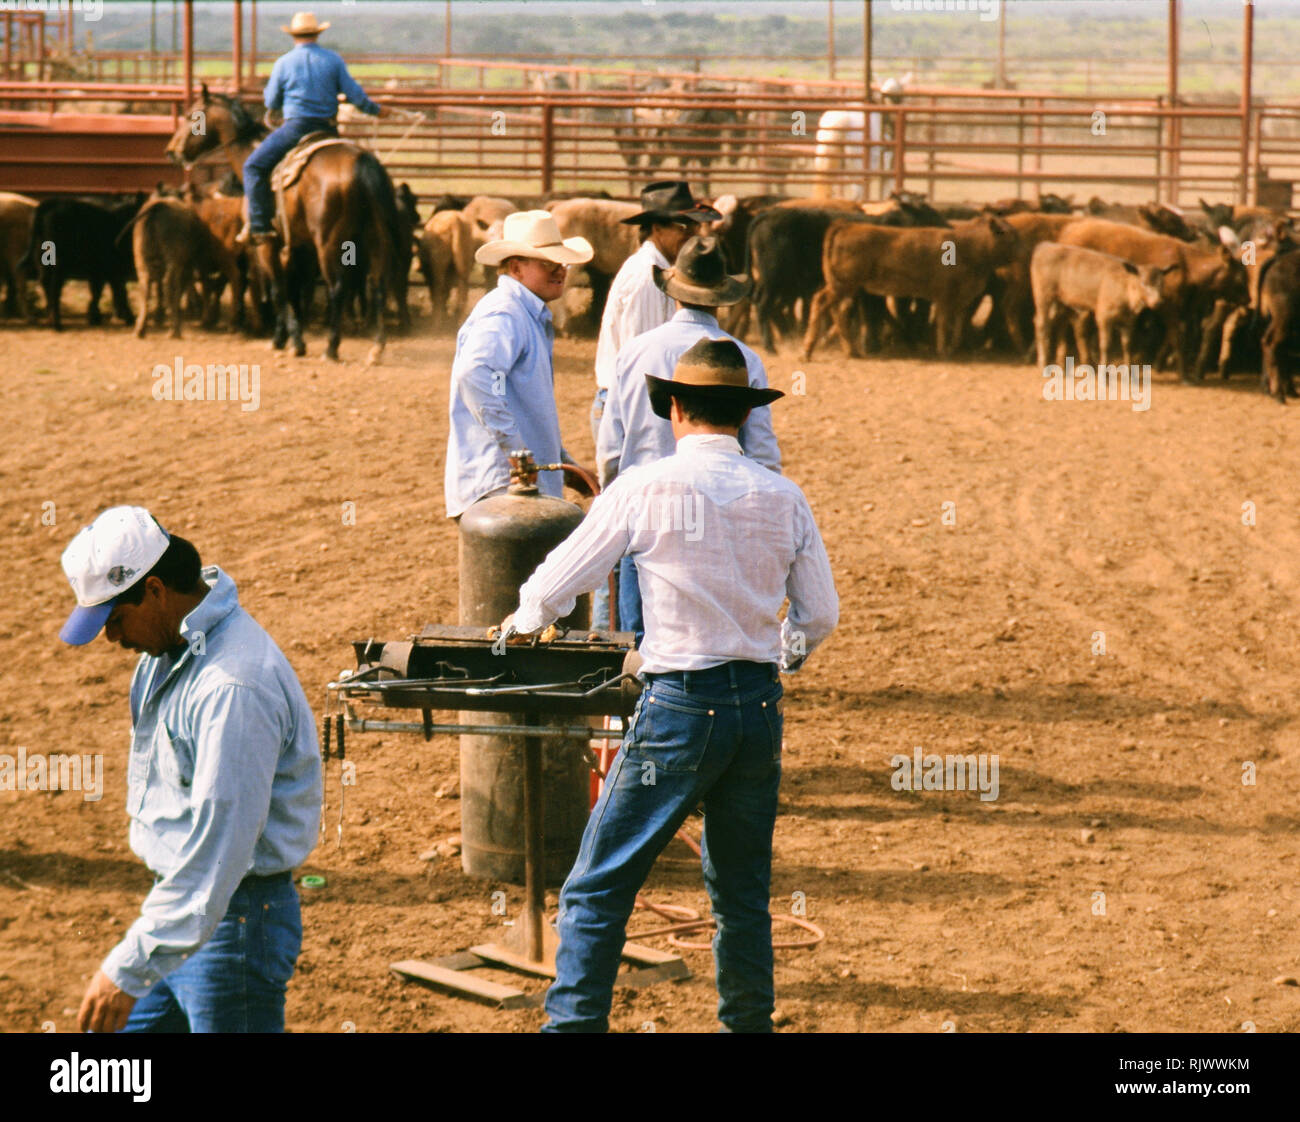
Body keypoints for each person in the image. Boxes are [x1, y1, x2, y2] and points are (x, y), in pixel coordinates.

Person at [501, 338, 839, 1033]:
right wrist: (782, 654)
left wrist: (523, 623)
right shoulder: (782, 495)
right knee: (741, 892)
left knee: (598, 888)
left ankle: (572, 1027)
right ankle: (747, 1025)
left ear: (676, 409)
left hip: (680, 706)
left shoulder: (645, 487)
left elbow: (557, 584)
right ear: (743, 416)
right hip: (757, 707)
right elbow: (820, 614)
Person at [60, 507, 322, 1033]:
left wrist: (128, 966)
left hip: (233, 925)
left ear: (154, 591)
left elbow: (220, 848)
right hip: (181, 913)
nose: (112, 640)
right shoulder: (165, 653)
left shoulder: (232, 687)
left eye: (114, 621)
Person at [597, 234, 782, 640]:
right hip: (717, 516)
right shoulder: (743, 358)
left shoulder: (633, 354)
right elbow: (763, 453)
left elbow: (611, 449)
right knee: (709, 634)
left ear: (673, 291)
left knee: (636, 639)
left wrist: (615, 501)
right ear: (721, 297)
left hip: (644, 513)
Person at [588, 181, 720, 628]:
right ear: (661, 227)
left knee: (635, 520)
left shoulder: (655, 269)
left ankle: (624, 634)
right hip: (640, 403)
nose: (692, 234)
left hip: (633, 403)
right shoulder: (649, 278)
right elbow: (649, 363)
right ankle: (620, 637)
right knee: (636, 520)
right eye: (685, 225)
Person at [445, 210, 596, 520]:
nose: (560, 271)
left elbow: (523, 403)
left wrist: (562, 462)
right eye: (548, 264)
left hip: (508, 484)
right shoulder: (506, 313)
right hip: (504, 487)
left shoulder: (520, 313)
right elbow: (474, 373)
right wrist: (517, 452)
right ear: (516, 267)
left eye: (561, 263)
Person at [240, 11, 392, 243]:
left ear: (294, 36)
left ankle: (260, 226)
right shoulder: (333, 60)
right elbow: (355, 96)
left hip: (296, 129)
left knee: (253, 166)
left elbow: (271, 102)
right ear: (317, 34)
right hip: (328, 129)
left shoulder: (283, 63)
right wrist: (377, 110)